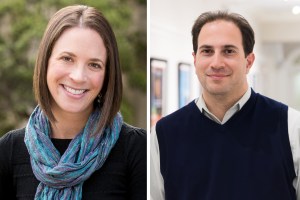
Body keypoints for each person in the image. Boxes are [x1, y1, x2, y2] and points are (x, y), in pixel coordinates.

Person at [0, 5, 146, 200]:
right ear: (46, 62)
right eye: (67, 58)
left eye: (94, 64)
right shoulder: (8, 151)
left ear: (107, 74)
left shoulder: (137, 148)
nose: (78, 76)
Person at [150, 10, 300, 200]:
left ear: (248, 61)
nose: (216, 63)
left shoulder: (291, 127)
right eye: (207, 51)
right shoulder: (162, 134)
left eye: (228, 51)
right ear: (195, 59)